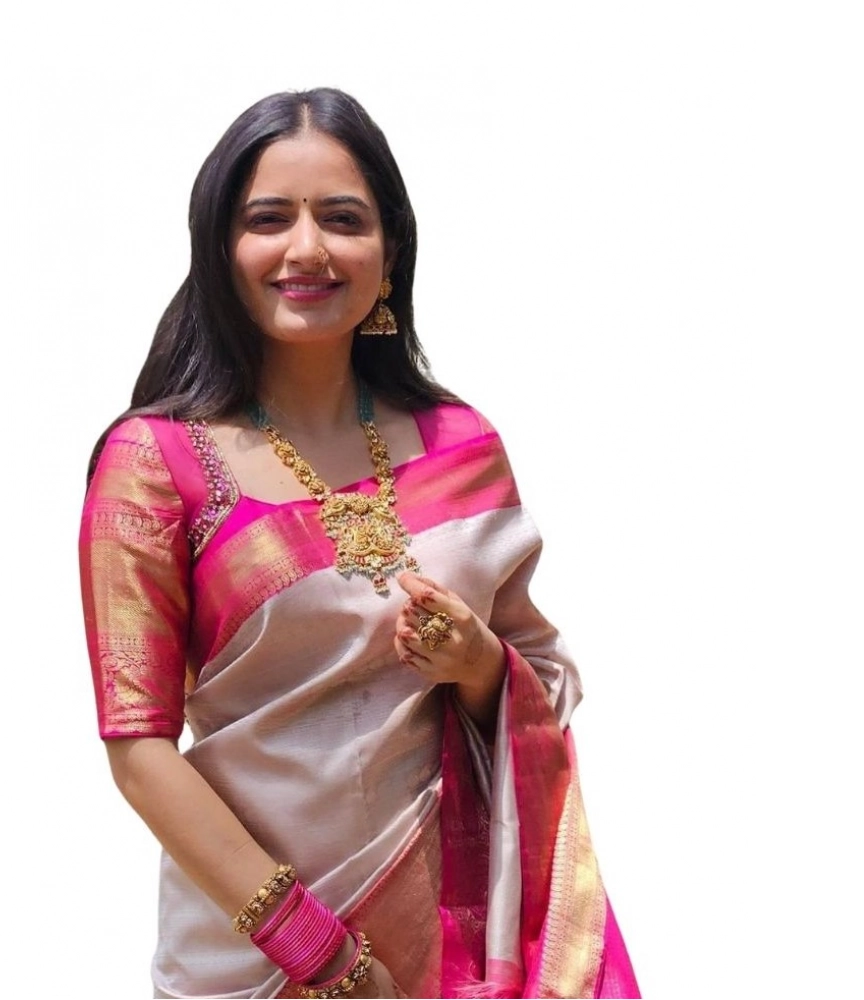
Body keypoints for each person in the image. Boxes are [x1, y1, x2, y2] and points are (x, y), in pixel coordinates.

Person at [79, 87, 640, 999]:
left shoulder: (462, 445)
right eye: (269, 219)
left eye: (342, 219)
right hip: (258, 960)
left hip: (460, 942)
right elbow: (137, 752)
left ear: (390, 254)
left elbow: (544, 680)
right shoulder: (154, 464)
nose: (306, 248)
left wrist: (479, 663)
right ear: (219, 249)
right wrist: (325, 958)